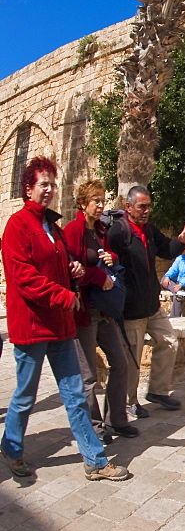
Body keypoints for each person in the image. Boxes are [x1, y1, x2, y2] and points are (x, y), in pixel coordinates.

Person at [0, 157, 130, 481]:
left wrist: (73, 270)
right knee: (25, 395)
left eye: (52, 185)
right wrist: (63, 295)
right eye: (43, 184)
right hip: (31, 327)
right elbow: (23, 277)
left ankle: (96, 461)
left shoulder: (52, 227)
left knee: (74, 394)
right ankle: (12, 447)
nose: (49, 190)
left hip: (60, 326)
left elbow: (61, 264)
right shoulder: (18, 226)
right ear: (28, 188)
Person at [106, 186, 185, 419]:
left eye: (148, 206)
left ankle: (157, 391)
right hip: (131, 309)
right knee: (132, 360)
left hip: (151, 306)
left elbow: (166, 249)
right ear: (128, 207)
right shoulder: (118, 232)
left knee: (169, 341)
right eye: (141, 206)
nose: (147, 211)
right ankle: (129, 402)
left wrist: (180, 241)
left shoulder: (148, 230)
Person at [63, 179, 138, 443]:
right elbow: (70, 270)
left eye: (103, 200)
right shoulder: (72, 231)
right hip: (85, 311)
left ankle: (116, 420)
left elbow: (108, 257)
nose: (101, 205)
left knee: (119, 363)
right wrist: (96, 275)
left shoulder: (101, 231)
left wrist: (112, 259)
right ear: (83, 203)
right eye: (96, 201)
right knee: (88, 376)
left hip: (105, 310)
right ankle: (95, 428)